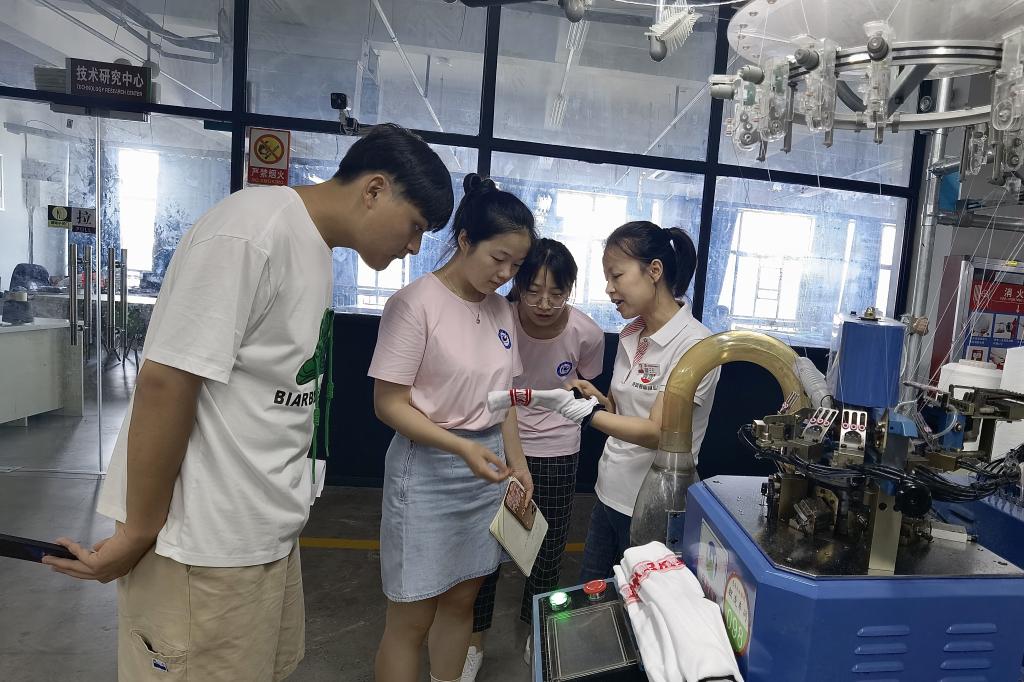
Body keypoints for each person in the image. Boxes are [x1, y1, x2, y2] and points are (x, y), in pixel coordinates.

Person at [43, 123, 454, 681]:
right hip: (203, 546)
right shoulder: (250, 232)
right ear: (374, 190)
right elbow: (167, 382)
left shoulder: (313, 246)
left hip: (262, 535)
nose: (413, 247)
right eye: (416, 227)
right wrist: (138, 531)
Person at [369, 174, 537, 682]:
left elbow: (505, 399)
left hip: (487, 472)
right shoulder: (415, 304)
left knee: (463, 599)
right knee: (411, 615)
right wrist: (460, 448)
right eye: (498, 259)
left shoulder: (502, 310)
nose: (505, 275)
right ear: (465, 240)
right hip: (427, 470)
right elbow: (388, 404)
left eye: (516, 265)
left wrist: (519, 465)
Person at [533, 221, 719, 582]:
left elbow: (657, 433)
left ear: (654, 271)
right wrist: (600, 400)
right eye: (607, 278)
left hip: (652, 506)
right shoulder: (631, 333)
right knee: (593, 593)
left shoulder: (695, 346)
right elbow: (621, 413)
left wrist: (582, 413)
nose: (609, 288)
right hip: (608, 492)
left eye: (616, 275)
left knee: (641, 602)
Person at [464, 239, 606, 680]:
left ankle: (536, 630)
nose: (544, 304)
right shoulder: (498, 317)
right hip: (499, 440)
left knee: (547, 548)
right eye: (533, 291)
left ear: (570, 290)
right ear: (519, 285)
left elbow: (586, 386)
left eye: (557, 293)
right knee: (488, 547)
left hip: (558, 446)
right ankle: (474, 641)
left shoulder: (586, 332)